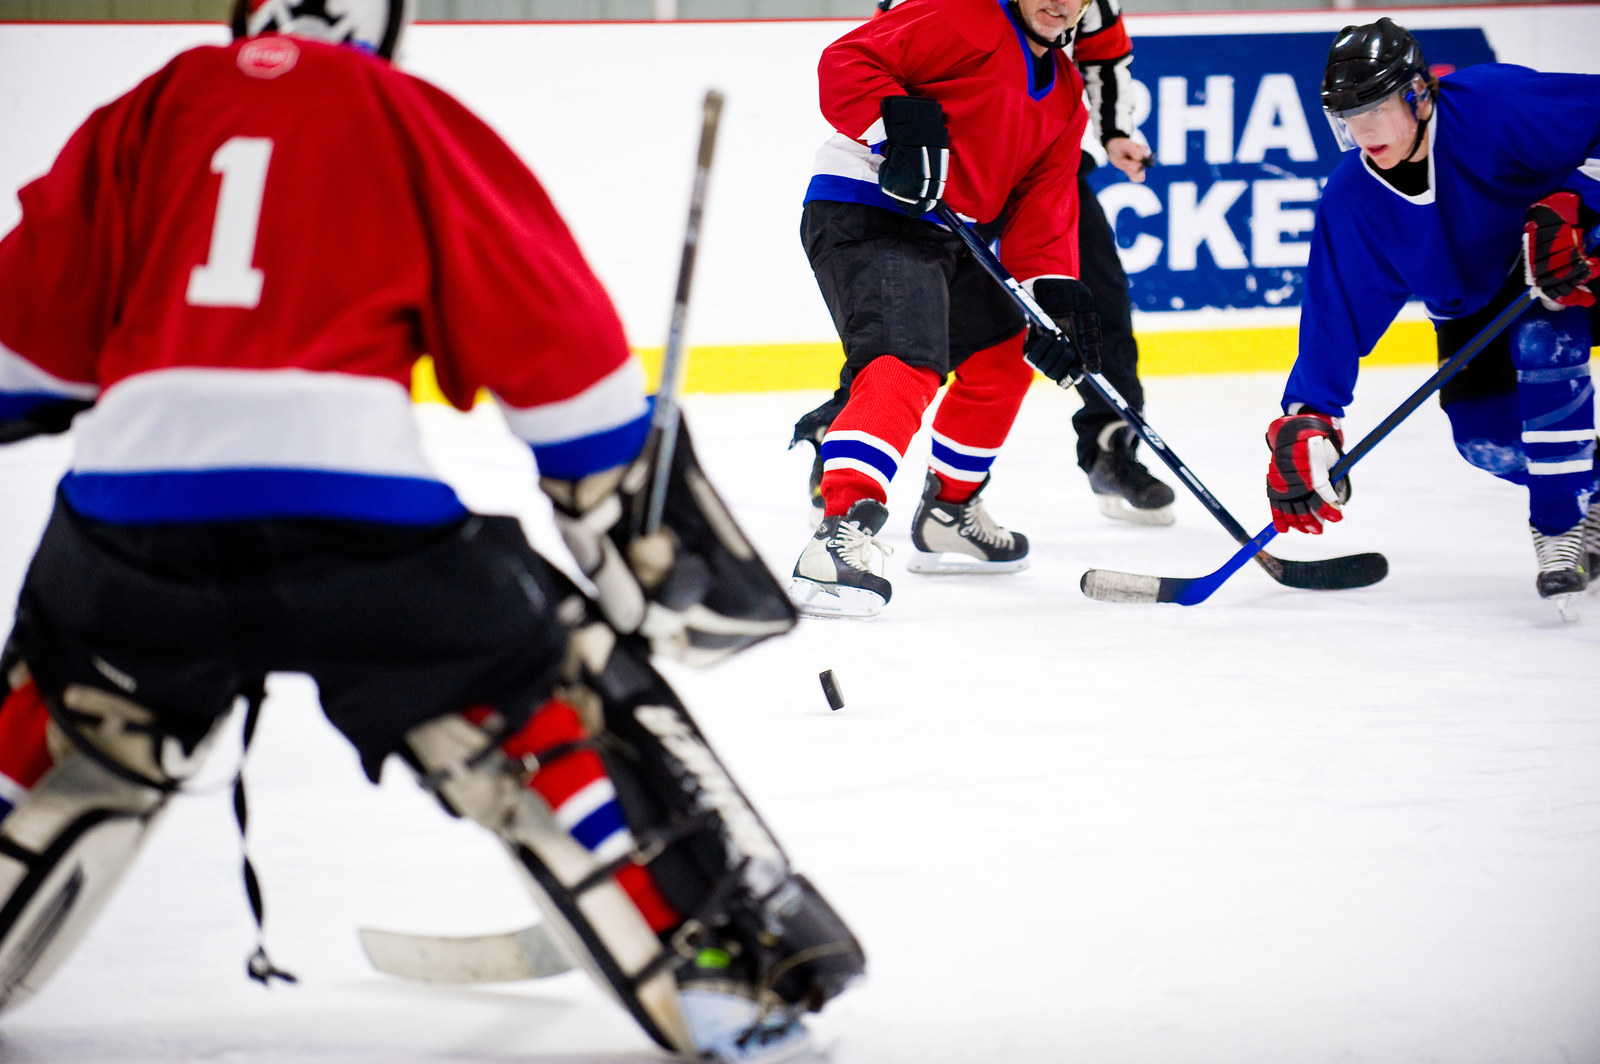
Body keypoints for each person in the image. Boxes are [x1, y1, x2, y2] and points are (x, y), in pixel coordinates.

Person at [0, 2, 863, 1059]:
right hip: (356, 514)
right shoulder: (403, 111)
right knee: (551, 681)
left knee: (63, 691)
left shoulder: (149, 109)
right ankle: (724, 990)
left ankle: (51, 741)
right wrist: (621, 522)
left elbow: (23, 356)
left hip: (129, 517)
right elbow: (571, 383)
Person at [792, 0, 1175, 534]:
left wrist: (1053, 297)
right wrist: (897, 127)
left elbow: (1042, 211)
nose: (1061, 3)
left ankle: (951, 510)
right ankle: (843, 524)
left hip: (952, 232)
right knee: (906, 358)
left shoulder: (1065, 95)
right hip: (871, 208)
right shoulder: (964, 15)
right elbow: (849, 59)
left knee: (1003, 354)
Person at [1265, 18, 1600, 617]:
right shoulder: (1353, 198)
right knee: (1485, 438)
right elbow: (1334, 312)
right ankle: (1583, 484)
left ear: (1419, 93)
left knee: (1546, 336)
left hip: (1575, 258)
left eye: (1374, 107)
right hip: (1476, 304)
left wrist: (1575, 202)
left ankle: (1559, 528)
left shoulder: (1497, 105)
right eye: (1345, 114)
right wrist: (1308, 417)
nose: (1360, 130)